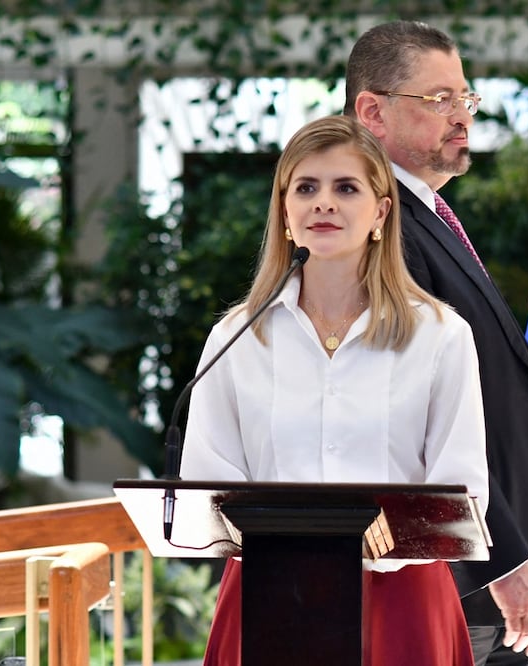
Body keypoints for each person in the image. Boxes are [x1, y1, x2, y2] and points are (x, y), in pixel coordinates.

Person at [179, 115, 489, 665]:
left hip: (404, 601)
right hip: (267, 597)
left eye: (346, 187)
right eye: (306, 188)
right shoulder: (236, 338)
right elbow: (208, 484)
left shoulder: (442, 335)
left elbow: (463, 492)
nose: (323, 203)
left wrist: (386, 532)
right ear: (285, 213)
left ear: (381, 211)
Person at [346, 21, 528, 664]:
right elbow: (404, 423)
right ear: (372, 112)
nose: (461, 117)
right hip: (447, 589)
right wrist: (500, 566)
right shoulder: (380, 230)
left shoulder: (427, 215)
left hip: (476, 587)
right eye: (438, 99)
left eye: (465, 99)